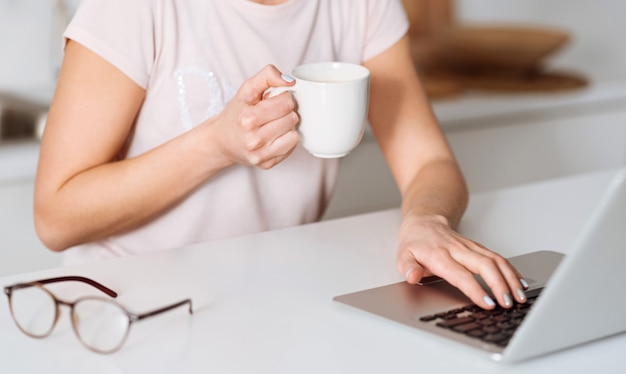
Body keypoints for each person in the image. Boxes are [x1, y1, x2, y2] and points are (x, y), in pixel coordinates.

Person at [34, 0, 528, 310]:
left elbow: (428, 162)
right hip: (130, 306)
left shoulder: (361, 7)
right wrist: (215, 145)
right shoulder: (134, 9)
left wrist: (428, 219)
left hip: (276, 296)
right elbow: (56, 217)